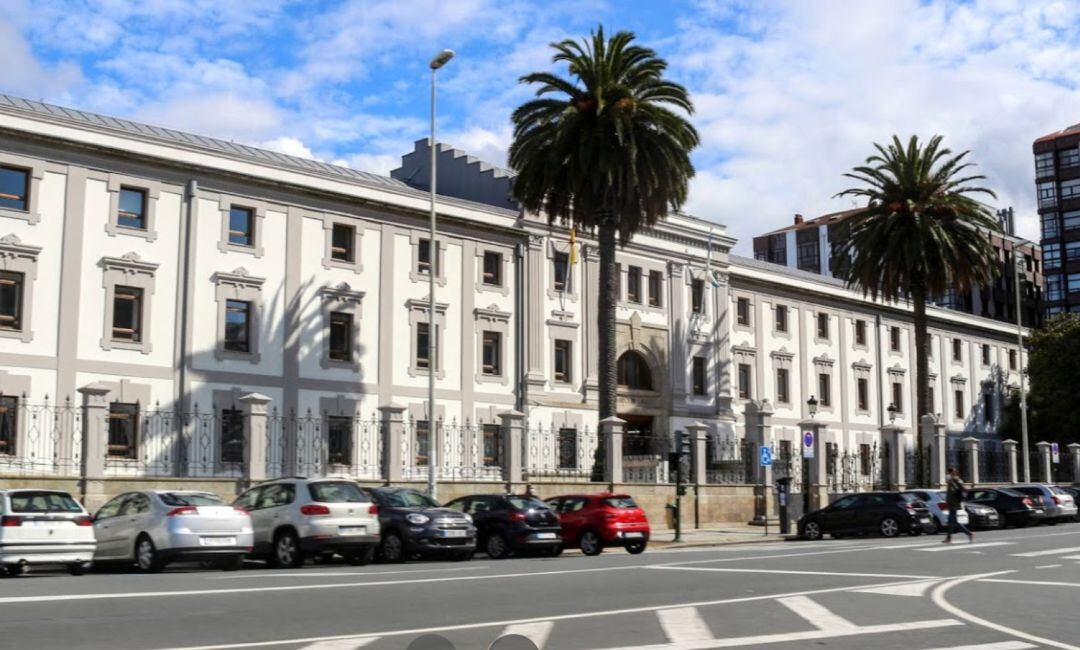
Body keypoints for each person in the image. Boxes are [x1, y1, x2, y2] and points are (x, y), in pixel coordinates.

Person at [943, 467, 974, 544]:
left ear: (953, 473)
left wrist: (966, 491)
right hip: (951, 503)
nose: (948, 474)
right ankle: (948, 538)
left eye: (949, 473)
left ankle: (969, 534)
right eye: (948, 473)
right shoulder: (951, 480)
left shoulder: (956, 480)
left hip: (954, 504)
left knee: (954, 521)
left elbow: (962, 489)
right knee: (950, 522)